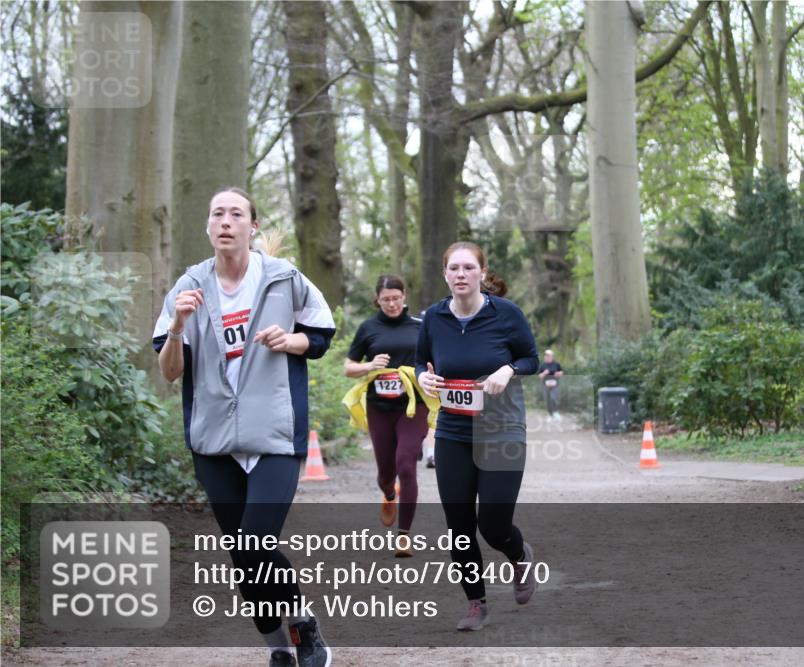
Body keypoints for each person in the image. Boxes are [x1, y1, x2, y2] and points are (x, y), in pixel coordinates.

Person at [153, 187, 335, 667]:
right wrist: (177, 325)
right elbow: (170, 371)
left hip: (274, 433)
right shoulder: (188, 287)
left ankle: (303, 627)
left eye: (237, 213)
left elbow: (321, 336)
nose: (226, 221)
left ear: (252, 226)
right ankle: (278, 648)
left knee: (256, 542)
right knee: (244, 558)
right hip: (213, 439)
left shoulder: (283, 278)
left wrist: (289, 339)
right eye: (218, 214)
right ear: (208, 227)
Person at [416, 241, 540, 631]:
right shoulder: (434, 318)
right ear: (445, 274)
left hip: (501, 429)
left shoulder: (506, 315)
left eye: (469, 268)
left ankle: (519, 555)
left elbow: (531, 359)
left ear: (482, 274)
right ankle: (476, 604)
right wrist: (423, 376)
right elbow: (422, 360)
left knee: (493, 524)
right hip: (453, 431)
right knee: (459, 525)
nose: (461, 275)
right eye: (454, 268)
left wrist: (508, 370)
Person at [343, 275, 436, 556]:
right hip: (379, 407)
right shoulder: (368, 328)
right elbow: (349, 367)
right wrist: (370, 365)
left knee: (406, 464)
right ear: (378, 300)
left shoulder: (421, 327)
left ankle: (404, 536)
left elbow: (436, 358)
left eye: (396, 298)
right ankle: (388, 493)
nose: (392, 304)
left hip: (413, 404)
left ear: (404, 296)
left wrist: (431, 373)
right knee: (386, 472)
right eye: (386, 299)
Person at [538, 349, 564, 423]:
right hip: (545, 385)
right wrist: (544, 373)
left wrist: (558, 374)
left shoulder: (556, 364)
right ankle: (550, 415)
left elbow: (561, 372)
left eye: (549, 356)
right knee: (547, 401)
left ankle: (556, 413)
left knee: (553, 398)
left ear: (552, 357)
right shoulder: (542, 365)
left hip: (555, 385)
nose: (547, 357)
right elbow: (539, 376)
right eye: (546, 356)